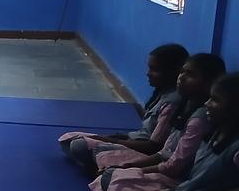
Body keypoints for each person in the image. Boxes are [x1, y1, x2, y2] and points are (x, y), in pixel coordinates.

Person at [109, 73, 239, 191]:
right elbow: (196, 180)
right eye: (209, 97)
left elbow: (175, 166)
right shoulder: (214, 132)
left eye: (216, 100)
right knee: (113, 181)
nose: (207, 104)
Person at [90, 53, 225, 178]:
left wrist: (128, 168)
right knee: (83, 146)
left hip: (169, 177)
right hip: (159, 164)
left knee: (105, 171)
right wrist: (128, 166)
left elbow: (161, 155)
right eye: (182, 72)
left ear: (208, 83)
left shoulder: (196, 118)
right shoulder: (185, 105)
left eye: (190, 75)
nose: (181, 77)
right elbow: (163, 153)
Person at [60, 43, 189, 172]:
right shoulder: (163, 93)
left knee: (80, 146)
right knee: (69, 139)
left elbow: (152, 147)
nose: (148, 74)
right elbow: (141, 135)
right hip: (132, 141)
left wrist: (108, 140)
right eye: (149, 68)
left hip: (144, 153)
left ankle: (108, 170)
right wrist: (114, 139)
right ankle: (102, 166)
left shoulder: (172, 103)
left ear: (173, 73)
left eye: (154, 70)